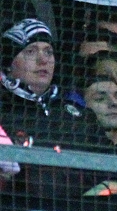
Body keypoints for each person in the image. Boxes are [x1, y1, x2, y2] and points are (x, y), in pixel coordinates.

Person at [0, 18, 78, 147]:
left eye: (48, 52)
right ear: (9, 63)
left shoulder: (77, 113)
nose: (43, 60)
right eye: (30, 51)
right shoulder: (4, 112)